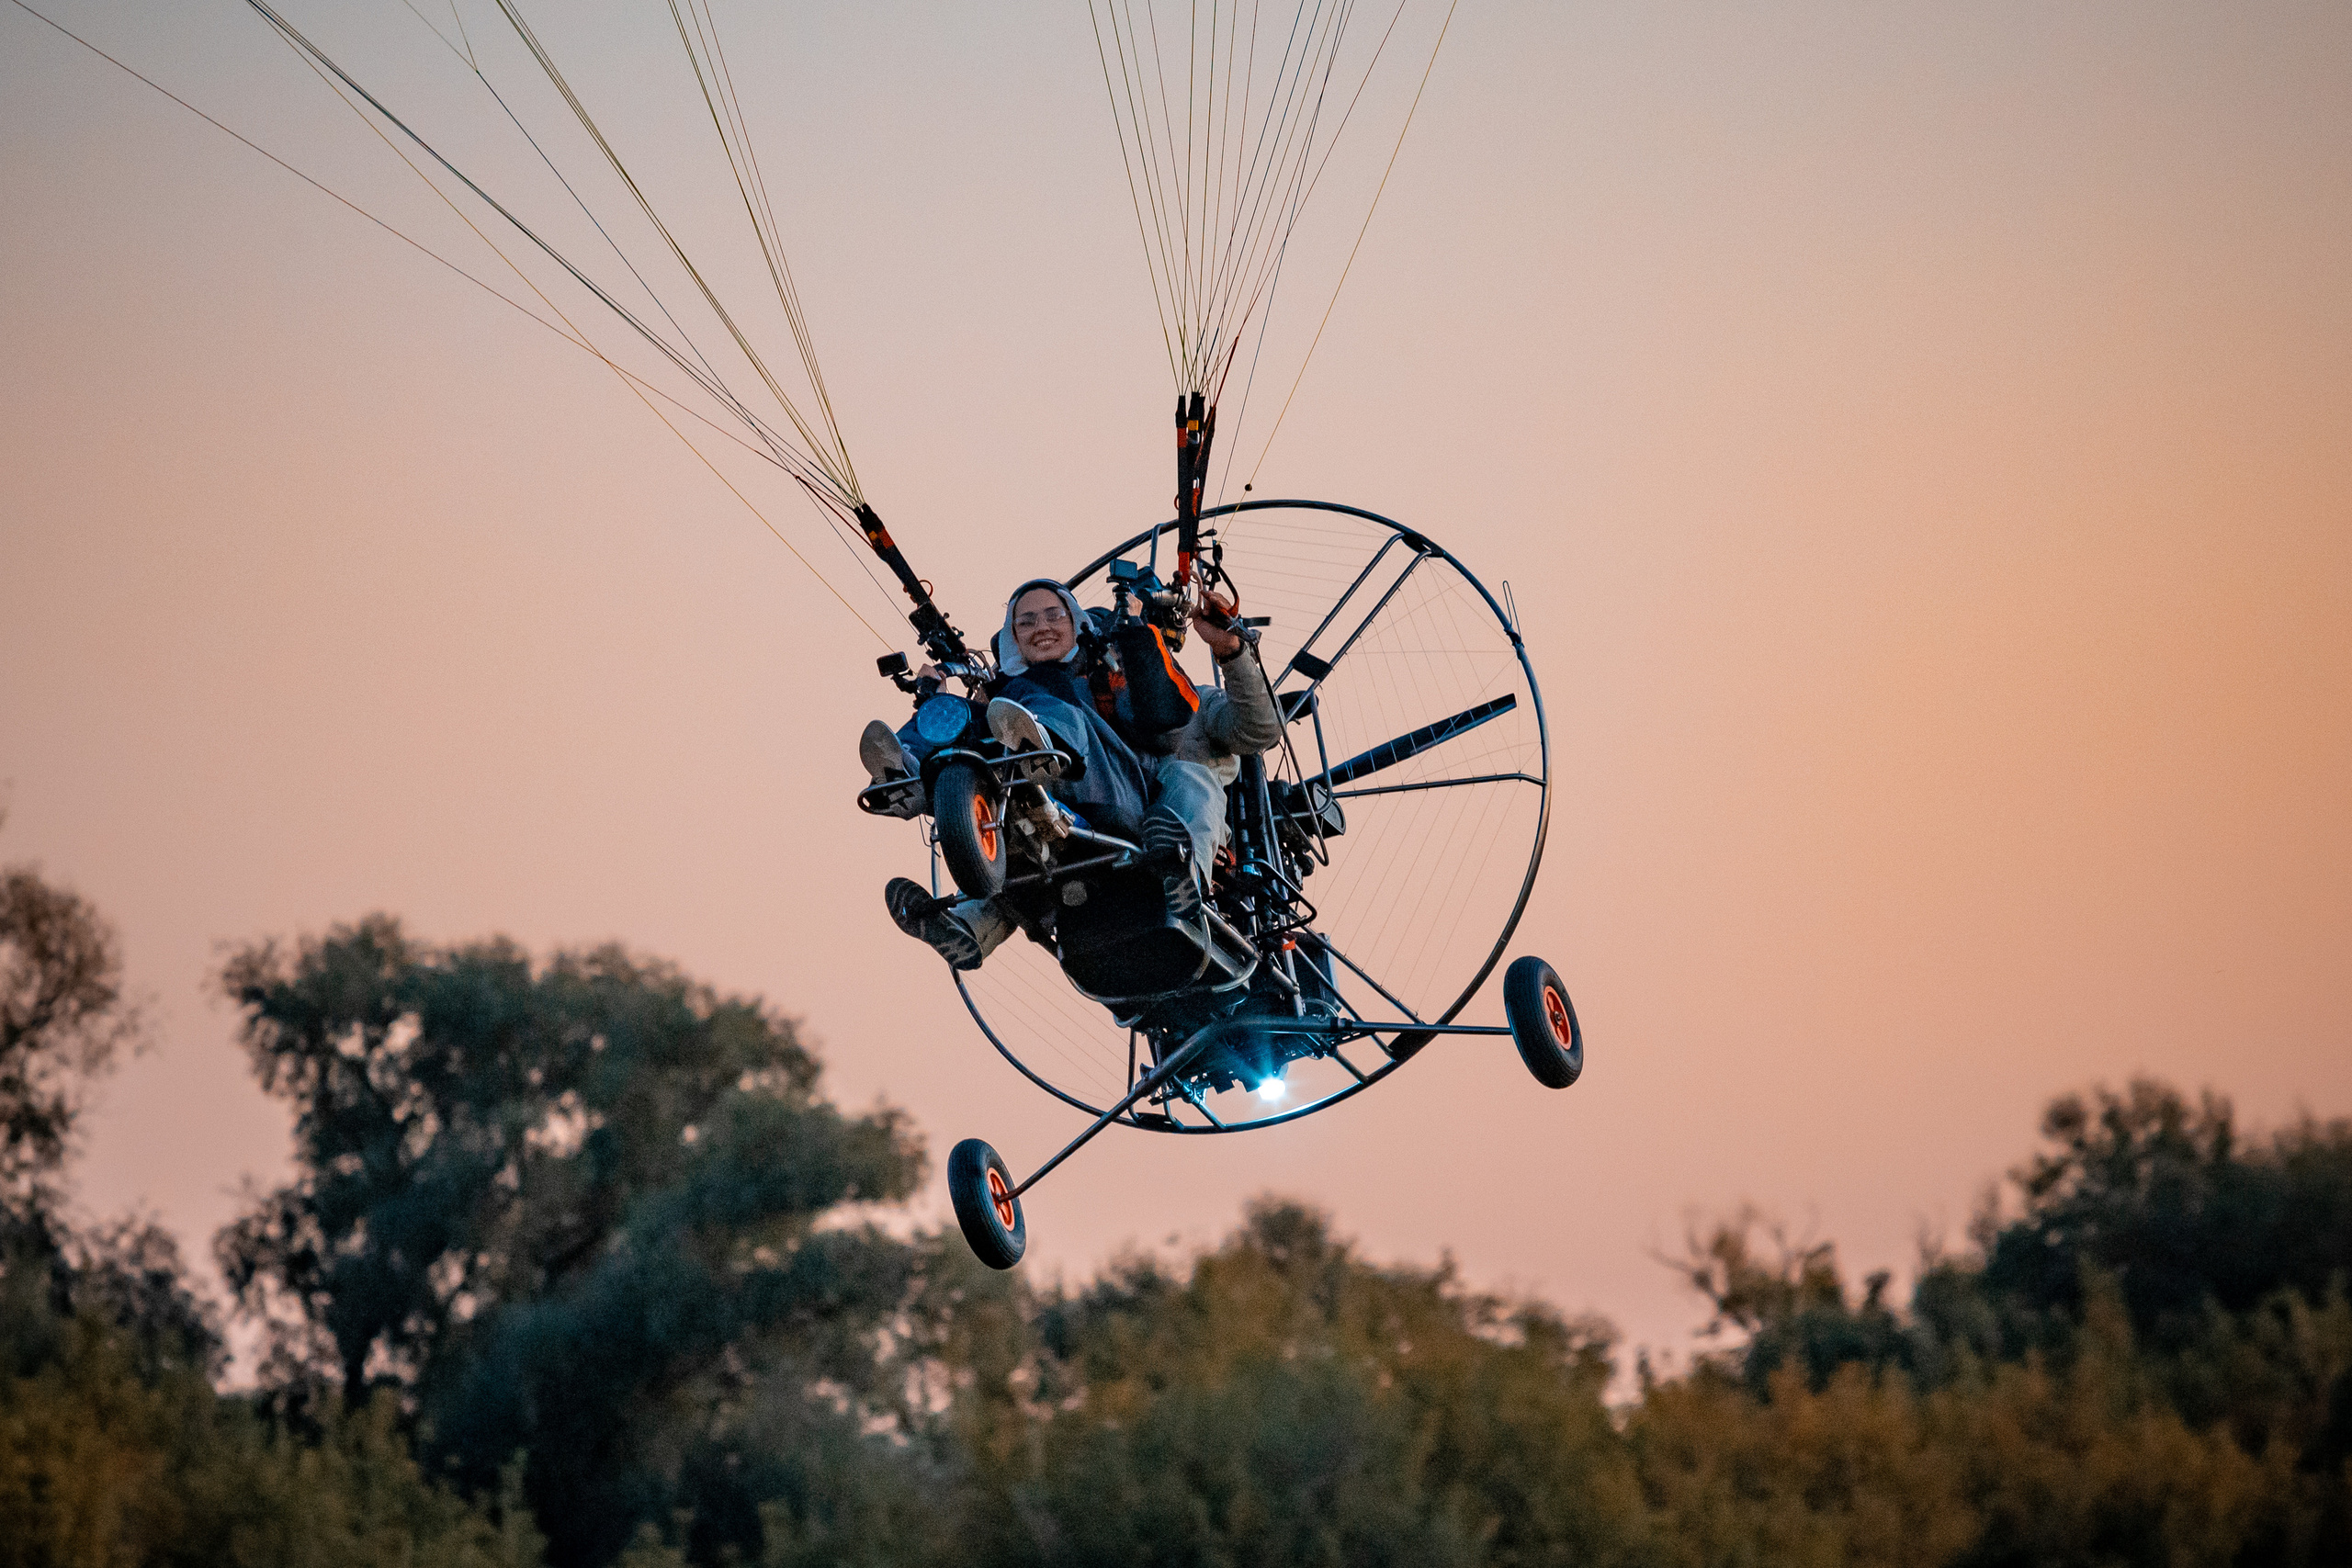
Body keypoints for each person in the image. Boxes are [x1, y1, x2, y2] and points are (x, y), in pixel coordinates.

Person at [860, 578, 1281, 970]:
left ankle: (1181, 872)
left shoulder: (1186, 704)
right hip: (1072, 822)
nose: (1040, 627)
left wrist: (1231, 649)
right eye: (1025, 622)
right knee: (980, 759)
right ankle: (909, 780)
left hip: (1152, 831)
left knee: (1192, 778)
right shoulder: (1040, 698)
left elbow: (1260, 729)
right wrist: (939, 699)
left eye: (1053, 616)